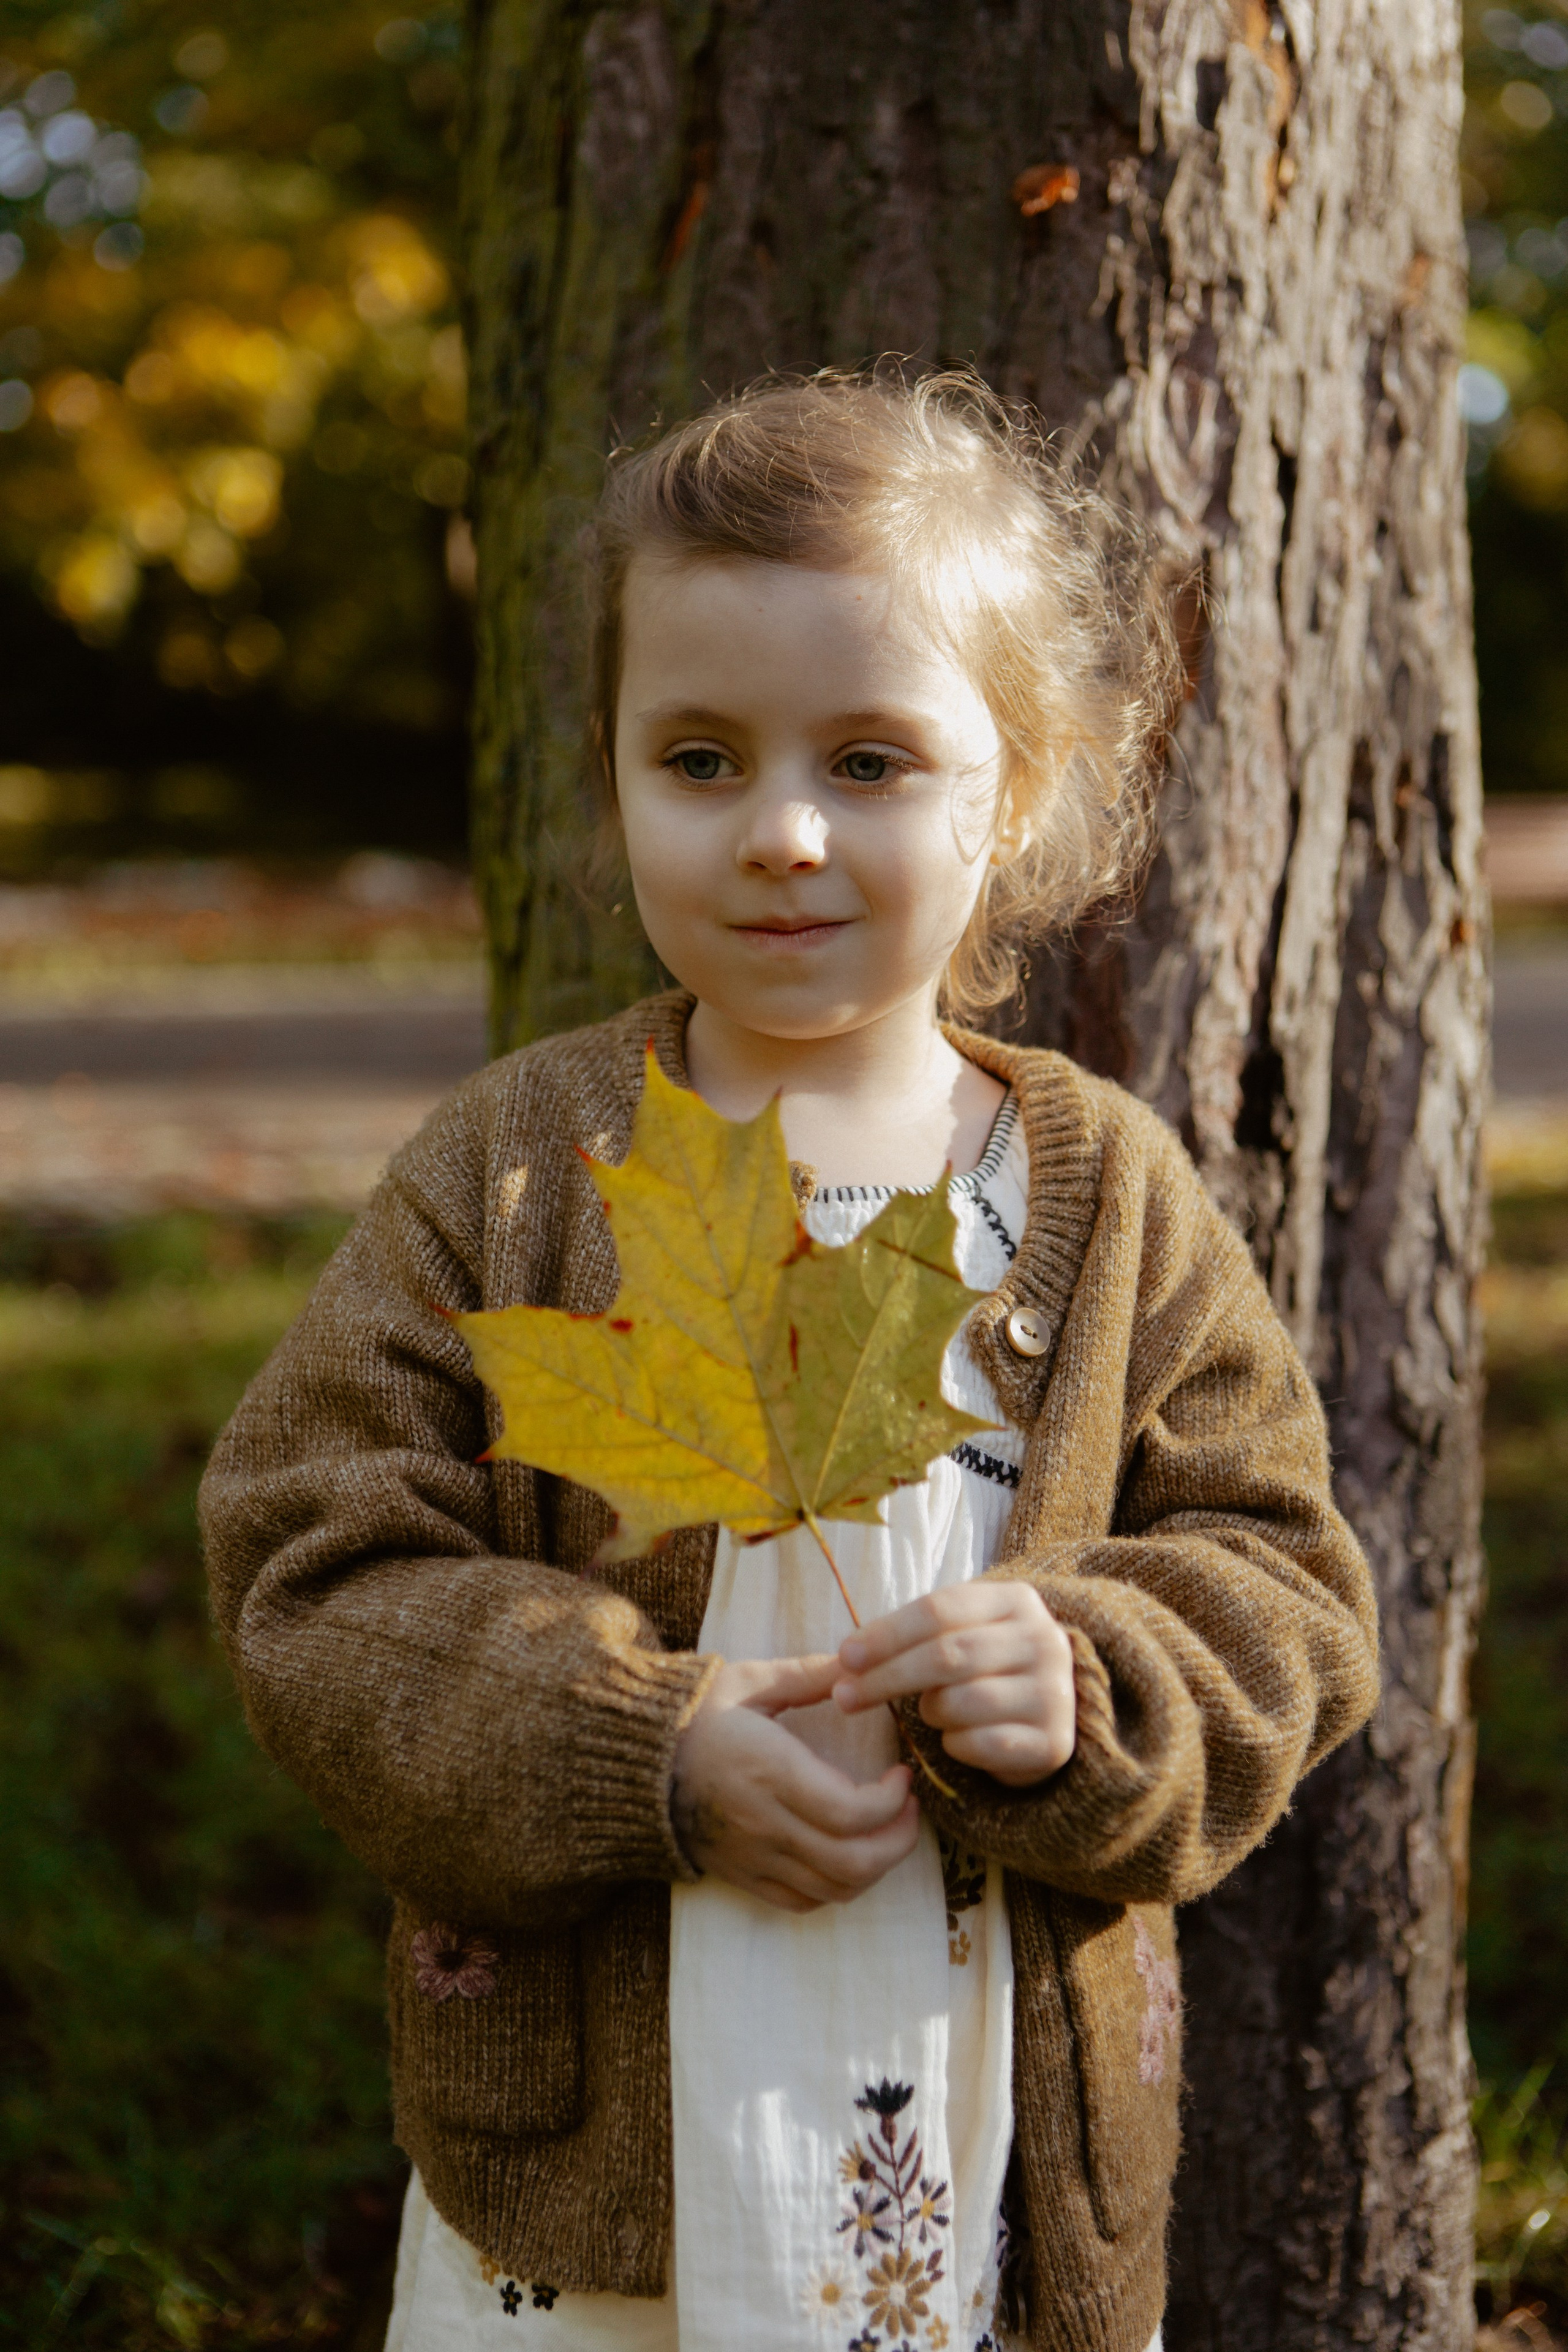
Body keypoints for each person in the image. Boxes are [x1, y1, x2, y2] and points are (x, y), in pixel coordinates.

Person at [198, 371, 1379, 2352]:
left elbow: (1290, 1587)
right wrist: (631, 1741)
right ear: (610, 780)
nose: (785, 833)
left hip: (981, 2158)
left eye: (873, 758)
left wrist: (1090, 1676)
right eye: (700, 758)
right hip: (598, 2184)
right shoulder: (519, 1169)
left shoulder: (1107, 1199)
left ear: (1017, 786)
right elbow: (311, 1566)